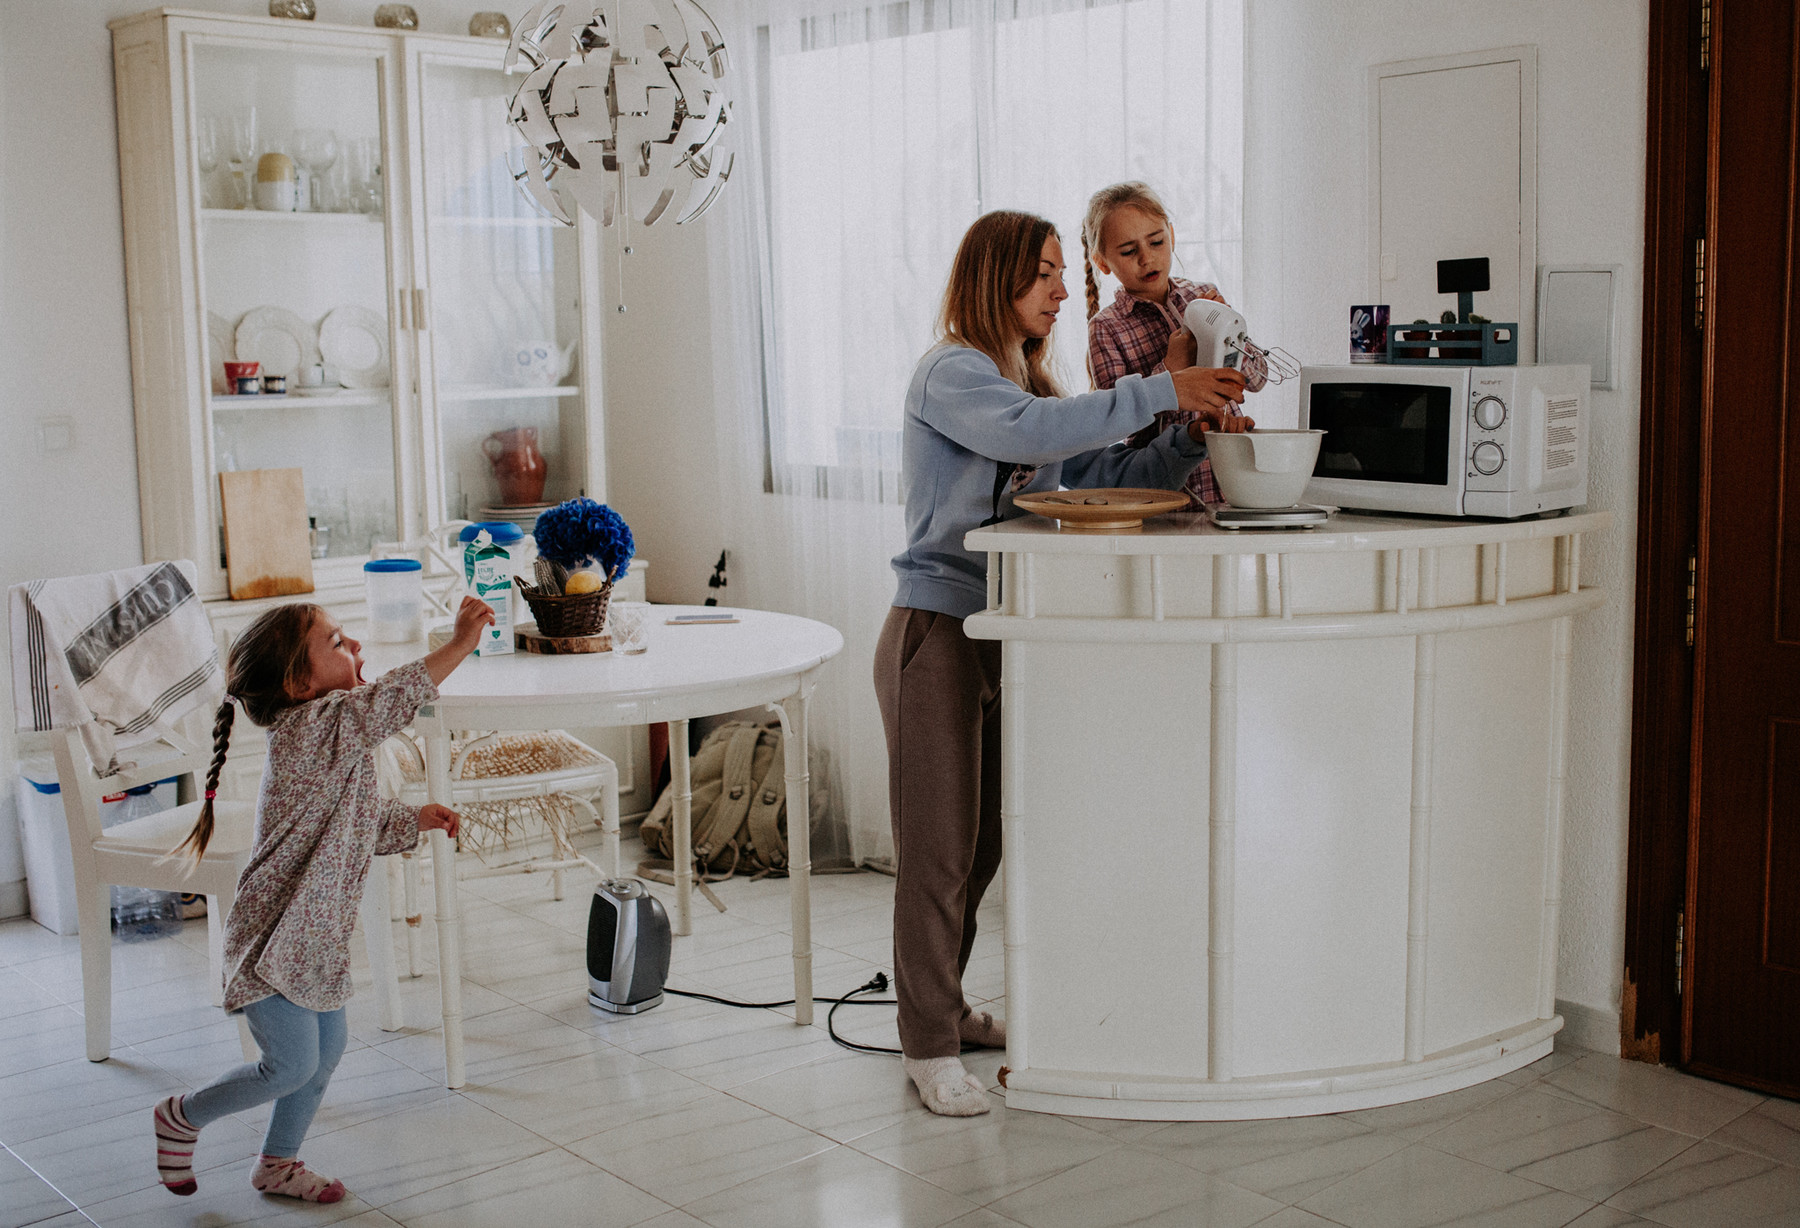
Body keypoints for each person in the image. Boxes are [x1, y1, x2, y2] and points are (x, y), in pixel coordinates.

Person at [874, 209, 1252, 1116]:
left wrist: (1183, 434)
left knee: (984, 842)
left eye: (1058, 272)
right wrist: (1165, 386)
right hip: (932, 631)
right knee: (937, 851)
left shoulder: (1025, 381)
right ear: (995, 276)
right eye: (1042, 272)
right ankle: (926, 1043)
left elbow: (1081, 472)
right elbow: (1035, 439)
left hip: (997, 632)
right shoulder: (954, 372)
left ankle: (948, 1006)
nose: (1058, 289)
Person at [151, 595, 494, 1201]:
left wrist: (412, 820)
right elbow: (393, 699)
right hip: (273, 941)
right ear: (298, 683)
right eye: (337, 643)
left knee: (325, 1053)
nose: (355, 646)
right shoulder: (311, 728)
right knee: (289, 1066)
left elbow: (354, 823)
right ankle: (184, 1115)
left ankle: (277, 1164)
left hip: (315, 940)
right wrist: (461, 642)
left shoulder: (333, 737)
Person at [1082, 181, 1267, 506]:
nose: (1146, 258)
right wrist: (1169, 367)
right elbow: (1115, 420)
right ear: (1103, 261)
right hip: (1163, 489)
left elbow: (1258, 378)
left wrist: (1231, 332)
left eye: (1156, 241)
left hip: (1230, 475)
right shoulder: (1106, 328)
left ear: (1172, 234)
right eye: (1128, 251)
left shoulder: (1202, 296)